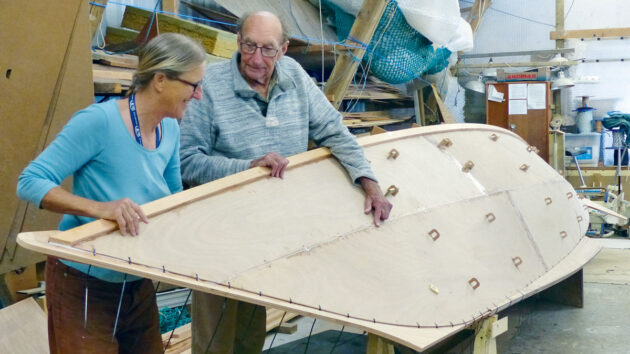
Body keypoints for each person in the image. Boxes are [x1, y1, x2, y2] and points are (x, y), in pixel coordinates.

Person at [179, 11, 393, 354]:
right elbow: (187, 162)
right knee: (215, 337)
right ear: (238, 41)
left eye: (267, 49)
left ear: (284, 50)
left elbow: (334, 132)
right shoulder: (210, 85)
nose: (257, 59)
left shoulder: (294, 76)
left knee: (250, 332)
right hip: (219, 232)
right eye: (249, 46)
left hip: (269, 229)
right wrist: (248, 167)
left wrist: (370, 183)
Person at [17, 33, 206, 353]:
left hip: (136, 277)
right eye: (194, 85)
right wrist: (100, 208)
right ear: (161, 80)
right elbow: (30, 181)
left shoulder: (169, 129)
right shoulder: (98, 123)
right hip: (83, 280)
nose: (199, 95)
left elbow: (173, 199)